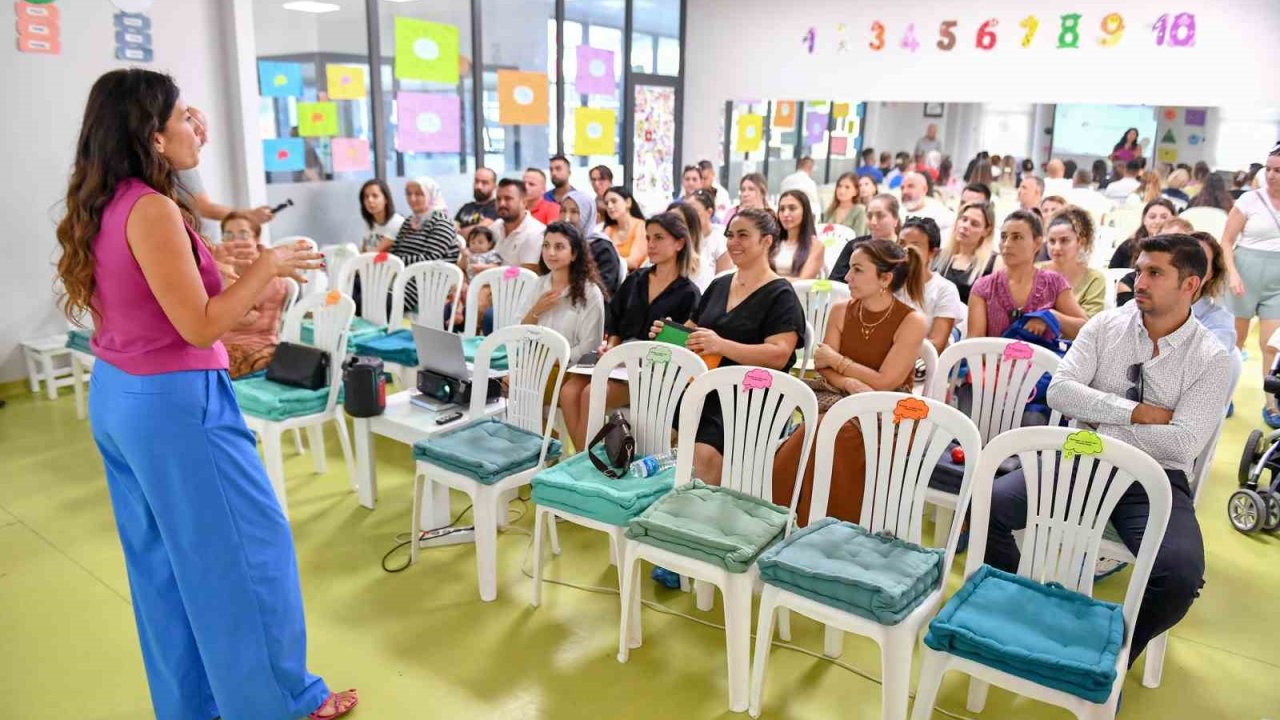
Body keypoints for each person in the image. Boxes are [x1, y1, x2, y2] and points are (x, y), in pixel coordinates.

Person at [54, 68, 355, 720]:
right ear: (152, 135)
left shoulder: (111, 201)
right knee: (249, 557)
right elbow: (201, 324)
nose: (199, 126)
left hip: (121, 396)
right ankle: (283, 704)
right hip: (175, 404)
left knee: (164, 571)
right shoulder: (154, 210)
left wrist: (228, 255)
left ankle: (197, 706)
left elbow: (169, 287)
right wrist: (268, 266)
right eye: (186, 116)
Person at [986, 233, 1230, 668]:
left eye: (1155, 273)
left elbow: (1184, 442)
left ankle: (1108, 657)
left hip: (1154, 479)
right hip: (1080, 457)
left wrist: (1102, 417)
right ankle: (1017, 609)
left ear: (1190, 285)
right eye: (1140, 270)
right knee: (987, 505)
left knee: (1180, 576)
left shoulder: (1212, 358)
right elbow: (1060, 392)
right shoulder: (1105, 326)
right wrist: (1136, 412)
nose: (1140, 281)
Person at [772, 239, 928, 524]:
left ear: (885, 279)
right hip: (840, 396)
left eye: (857, 270)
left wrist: (839, 362)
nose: (847, 277)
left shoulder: (913, 320)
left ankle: (824, 524)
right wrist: (849, 382)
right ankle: (788, 516)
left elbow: (885, 382)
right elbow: (822, 366)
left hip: (890, 410)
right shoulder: (841, 310)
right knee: (817, 428)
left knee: (830, 430)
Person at [650, 208, 805, 482]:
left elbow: (779, 354)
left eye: (743, 235)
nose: (733, 242)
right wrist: (669, 334)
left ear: (767, 241)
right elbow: (692, 332)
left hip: (752, 395)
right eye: (730, 235)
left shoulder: (781, 294)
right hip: (705, 386)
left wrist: (722, 345)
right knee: (652, 430)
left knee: (704, 452)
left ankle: (708, 514)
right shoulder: (719, 284)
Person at [559, 210, 701, 449]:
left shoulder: (689, 293)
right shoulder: (636, 280)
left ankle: (583, 463)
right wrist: (611, 347)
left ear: (679, 243)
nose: (651, 245)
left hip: (651, 370)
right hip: (618, 357)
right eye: (648, 238)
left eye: (659, 238)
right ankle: (583, 458)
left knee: (591, 393)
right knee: (569, 391)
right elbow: (615, 320)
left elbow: (681, 348)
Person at [1223, 145, 1280, 425]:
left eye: (1277, 170)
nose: (1270, 175)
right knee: (1235, 342)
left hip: (1277, 281)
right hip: (1244, 274)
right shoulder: (1249, 200)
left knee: (1272, 345)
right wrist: (1232, 273)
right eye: (1268, 169)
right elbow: (1226, 241)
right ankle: (1224, 396)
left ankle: (1272, 402)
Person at [969, 210, 1087, 339]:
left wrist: (1050, 316)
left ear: (1037, 244)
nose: (1007, 244)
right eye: (1003, 237)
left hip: (1042, 359)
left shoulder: (1054, 283)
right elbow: (974, 343)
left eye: (1017, 237)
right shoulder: (983, 287)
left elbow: (1085, 329)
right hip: (993, 358)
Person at [522, 221, 605, 361]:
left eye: (559, 247)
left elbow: (590, 346)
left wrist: (553, 360)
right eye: (546, 246)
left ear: (574, 254)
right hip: (534, 366)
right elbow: (519, 334)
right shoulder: (537, 285)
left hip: (572, 369)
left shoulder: (590, 292)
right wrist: (535, 311)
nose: (550, 253)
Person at [220, 212, 290, 378]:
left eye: (243, 234)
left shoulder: (267, 272)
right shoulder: (226, 269)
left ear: (256, 239)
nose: (235, 241)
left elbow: (235, 319)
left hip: (255, 349)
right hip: (222, 345)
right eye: (228, 235)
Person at [386, 176, 462, 311]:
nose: (412, 198)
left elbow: (431, 258)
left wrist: (397, 263)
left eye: (419, 194)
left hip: (424, 282)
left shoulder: (441, 221)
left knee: (372, 301)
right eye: (409, 194)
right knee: (356, 289)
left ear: (431, 195)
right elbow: (395, 251)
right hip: (402, 276)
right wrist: (393, 263)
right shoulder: (410, 221)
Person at [898, 216, 966, 352]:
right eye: (901, 244)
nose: (905, 251)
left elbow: (936, 345)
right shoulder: (886, 280)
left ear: (932, 253)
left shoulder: (945, 290)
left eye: (914, 246)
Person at [1040, 205, 1107, 318]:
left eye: (1064, 240)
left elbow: (1091, 328)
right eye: (1052, 241)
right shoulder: (1036, 271)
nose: (1056, 247)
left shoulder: (1094, 279)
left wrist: (1049, 316)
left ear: (1080, 242)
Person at [1117, 217, 1196, 306]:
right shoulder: (1130, 283)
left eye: (1177, 243)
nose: (1167, 248)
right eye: (1162, 241)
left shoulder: (1196, 283)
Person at [560, 188, 621, 296]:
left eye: (574, 212)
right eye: (563, 211)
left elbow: (603, 290)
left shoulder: (602, 248)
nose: (566, 218)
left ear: (587, 215)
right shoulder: (556, 244)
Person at [934, 201, 997, 304]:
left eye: (974, 224)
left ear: (987, 231)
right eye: (963, 219)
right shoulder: (939, 256)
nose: (965, 226)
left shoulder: (992, 263)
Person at [828, 193, 900, 281]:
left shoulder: (905, 250)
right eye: (869, 216)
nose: (873, 222)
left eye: (880, 216)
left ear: (895, 218)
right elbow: (835, 282)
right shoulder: (854, 246)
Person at [490, 178, 546, 271]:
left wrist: (495, 270)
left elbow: (527, 275)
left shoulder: (536, 232)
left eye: (508, 199)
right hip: (488, 282)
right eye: (498, 199)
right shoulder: (495, 227)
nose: (502, 203)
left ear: (524, 202)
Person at [684, 188, 733, 290]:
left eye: (694, 211)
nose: (689, 216)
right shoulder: (682, 238)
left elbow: (723, 280)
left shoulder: (720, 239)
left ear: (709, 212)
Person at [1109, 198, 1176, 269]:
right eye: (1152, 217)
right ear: (1144, 220)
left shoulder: (1181, 249)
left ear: (1175, 220)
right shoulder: (1127, 246)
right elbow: (1112, 273)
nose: (1157, 221)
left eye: (1164, 217)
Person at [775, 190, 824, 279]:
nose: (785, 214)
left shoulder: (816, 246)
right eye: (782, 209)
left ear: (804, 212)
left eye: (792, 208)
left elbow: (803, 282)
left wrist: (769, 281)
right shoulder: (771, 242)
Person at [602, 185, 648, 270]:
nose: (609, 206)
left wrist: (608, 263)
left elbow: (634, 262)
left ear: (628, 202)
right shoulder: (608, 230)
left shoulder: (641, 227)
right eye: (606, 203)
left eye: (614, 201)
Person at [358, 178, 404, 252]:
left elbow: (377, 252)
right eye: (366, 197)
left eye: (375, 196)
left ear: (386, 199)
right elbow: (363, 251)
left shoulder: (397, 222)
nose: (370, 200)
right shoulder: (370, 223)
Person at [454, 167, 498, 236]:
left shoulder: (497, 207)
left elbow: (479, 232)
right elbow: (452, 229)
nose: (478, 186)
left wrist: (457, 233)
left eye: (484, 183)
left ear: (494, 186)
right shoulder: (466, 207)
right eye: (476, 181)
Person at [823, 172, 868, 236]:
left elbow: (859, 237)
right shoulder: (830, 210)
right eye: (839, 186)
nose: (842, 191)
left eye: (847, 187)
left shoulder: (860, 210)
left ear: (855, 191)